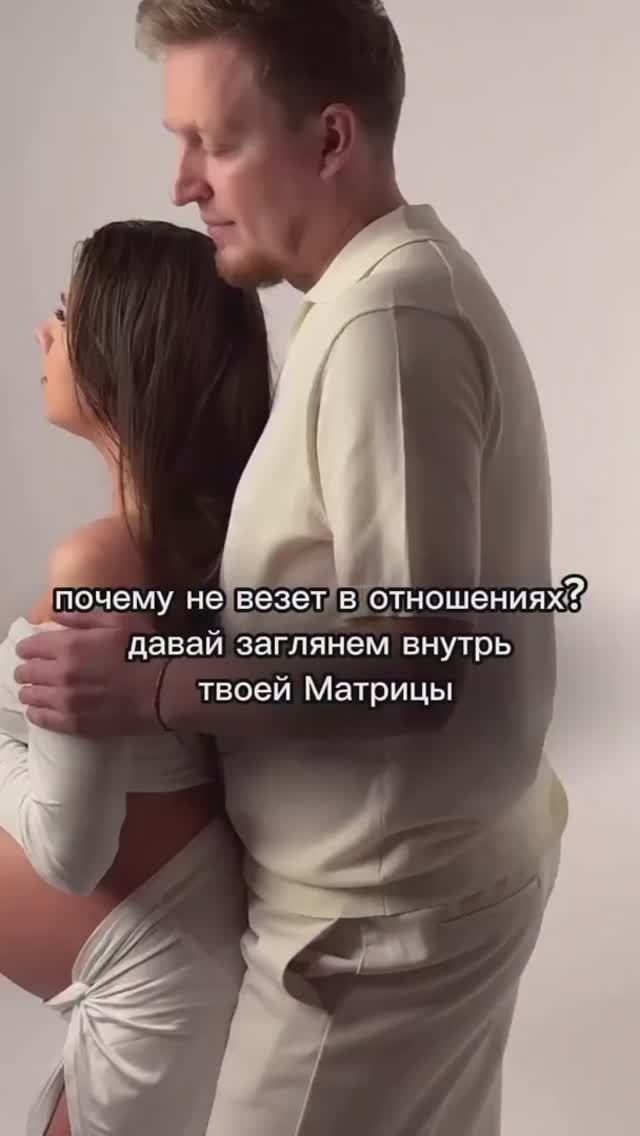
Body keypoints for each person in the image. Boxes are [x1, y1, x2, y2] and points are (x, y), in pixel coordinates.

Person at [16, 2, 570, 1134]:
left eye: (214, 143)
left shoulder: (388, 324)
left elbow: (420, 663)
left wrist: (153, 686)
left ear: (329, 139)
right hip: (402, 898)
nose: (184, 183)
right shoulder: (367, 303)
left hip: (373, 930)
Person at [1, 218, 271, 1135]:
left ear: (123, 350)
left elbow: (69, 851)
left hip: (150, 979)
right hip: (158, 961)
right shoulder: (174, 542)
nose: (43, 333)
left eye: (65, 315)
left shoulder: (102, 560)